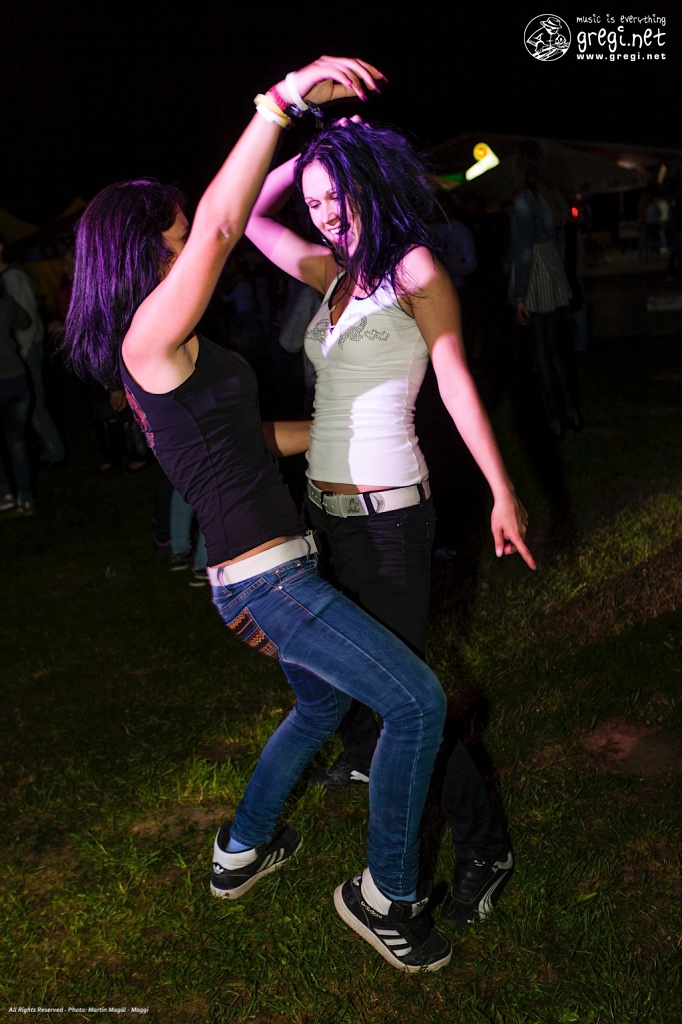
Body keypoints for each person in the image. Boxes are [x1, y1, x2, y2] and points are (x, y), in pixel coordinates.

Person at [62, 57, 454, 974]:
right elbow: (224, 222)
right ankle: (386, 896)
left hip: (273, 565)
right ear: (146, 253)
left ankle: (241, 849)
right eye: (175, 239)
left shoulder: (174, 348)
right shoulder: (149, 341)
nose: (191, 247)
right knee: (416, 703)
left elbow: (258, 437)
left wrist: (356, 415)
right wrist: (281, 102)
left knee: (320, 707)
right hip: (265, 579)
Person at [245, 119, 535, 928]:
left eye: (336, 194)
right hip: (324, 514)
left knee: (405, 701)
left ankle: (485, 847)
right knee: (377, 693)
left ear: (369, 183)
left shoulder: (414, 269)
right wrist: (303, 156)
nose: (324, 213)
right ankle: (377, 758)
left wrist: (501, 489)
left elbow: (455, 380)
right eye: (314, 202)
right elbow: (250, 219)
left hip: (389, 520)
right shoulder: (331, 273)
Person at [509, 141, 580, 437]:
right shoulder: (554, 198)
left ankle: (554, 420)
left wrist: (519, 294)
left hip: (536, 269)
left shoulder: (525, 200)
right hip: (552, 266)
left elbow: (524, 249)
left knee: (541, 353)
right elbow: (563, 246)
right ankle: (571, 412)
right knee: (555, 350)